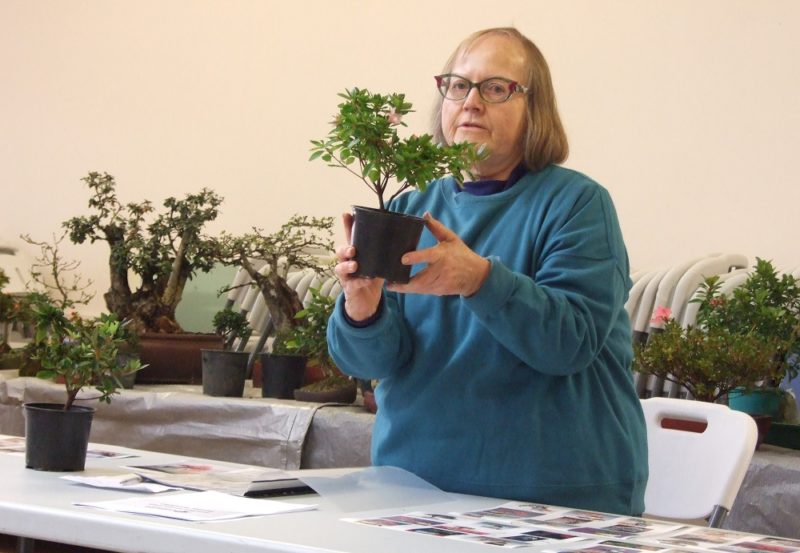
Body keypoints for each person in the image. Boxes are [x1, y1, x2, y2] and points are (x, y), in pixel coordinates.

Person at [327, 27, 648, 515]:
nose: (471, 102)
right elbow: (368, 364)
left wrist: (478, 280)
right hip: (414, 489)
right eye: (458, 86)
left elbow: (569, 343)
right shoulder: (409, 209)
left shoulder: (577, 205)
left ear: (535, 108)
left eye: (495, 88)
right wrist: (362, 309)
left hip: (557, 498)